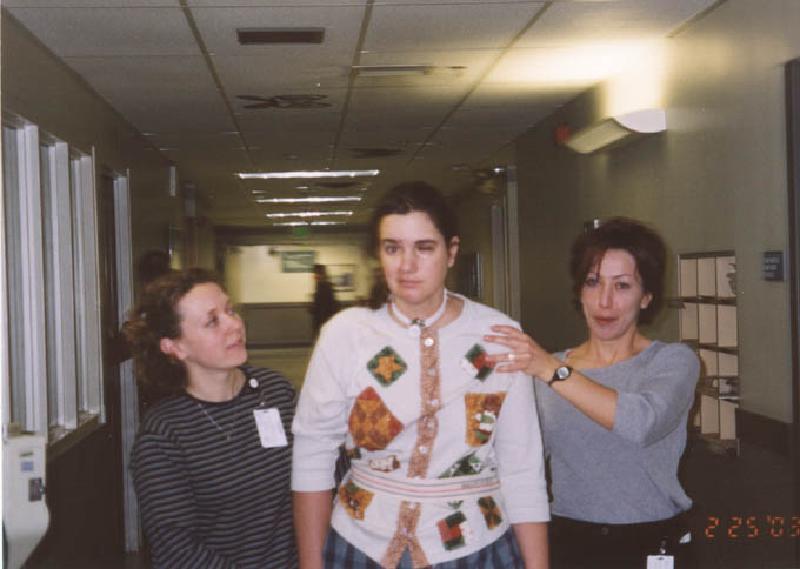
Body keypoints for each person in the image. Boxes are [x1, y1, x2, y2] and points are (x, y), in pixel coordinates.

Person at [292, 181, 549, 569]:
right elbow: (312, 456)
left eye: (424, 248)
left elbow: (522, 466)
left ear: (452, 252)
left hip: (473, 546)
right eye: (392, 248)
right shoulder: (346, 335)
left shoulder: (498, 335)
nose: (406, 265)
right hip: (363, 545)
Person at [485, 218, 699, 569]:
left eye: (623, 285)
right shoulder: (549, 370)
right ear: (579, 292)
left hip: (651, 539)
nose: (605, 301)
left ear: (646, 297)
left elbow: (640, 421)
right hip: (570, 538)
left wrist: (550, 370)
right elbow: (517, 460)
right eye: (593, 282)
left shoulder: (673, 361)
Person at [124, 268, 297, 569]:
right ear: (174, 347)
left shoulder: (275, 392)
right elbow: (178, 552)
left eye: (230, 310)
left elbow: (322, 474)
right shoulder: (164, 436)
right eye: (212, 321)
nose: (234, 324)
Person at [311, 264, 338, 337]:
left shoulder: (325, 287)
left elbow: (327, 305)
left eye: (316, 273)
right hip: (323, 320)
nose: (314, 276)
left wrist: (313, 308)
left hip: (323, 319)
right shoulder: (320, 286)